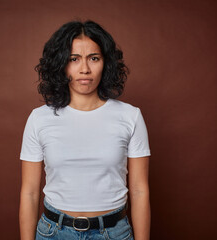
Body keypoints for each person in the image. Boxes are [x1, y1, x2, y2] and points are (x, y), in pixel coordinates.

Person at [19, 20, 151, 240]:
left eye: (94, 58)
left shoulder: (130, 116)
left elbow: (139, 190)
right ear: (61, 64)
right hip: (54, 233)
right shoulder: (39, 118)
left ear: (105, 63)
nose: (85, 69)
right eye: (74, 59)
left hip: (113, 233)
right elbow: (30, 193)